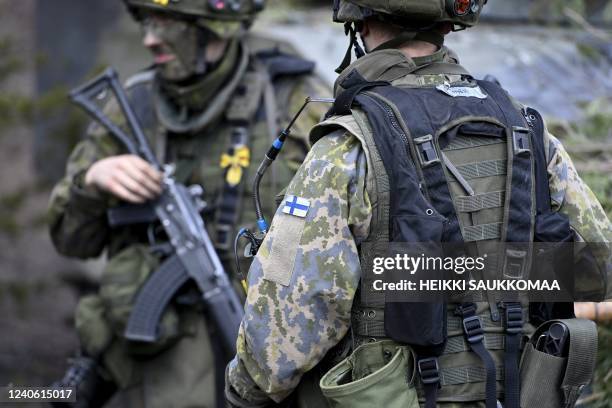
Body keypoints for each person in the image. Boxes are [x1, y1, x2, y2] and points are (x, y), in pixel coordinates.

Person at [225, 1, 612, 407]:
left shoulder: (349, 146)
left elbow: (281, 343)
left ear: (362, 20)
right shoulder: (528, 130)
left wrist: (242, 390)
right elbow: (596, 272)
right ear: (449, 22)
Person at [47, 0, 330, 407]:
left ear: (214, 28)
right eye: (146, 22)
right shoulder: (135, 106)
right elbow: (71, 241)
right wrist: (93, 181)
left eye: (167, 24)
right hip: (158, 364)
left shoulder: (292, 101)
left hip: (274, 346)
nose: (149, 39)